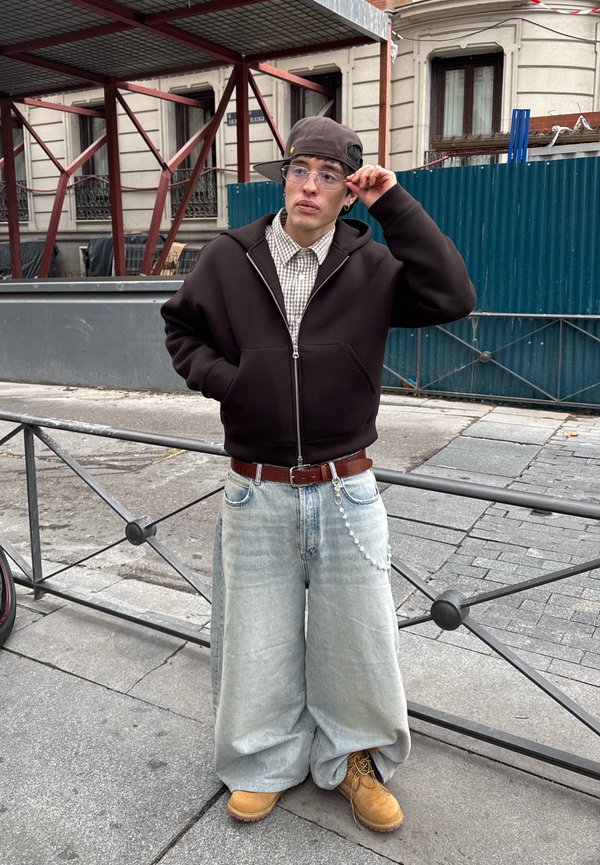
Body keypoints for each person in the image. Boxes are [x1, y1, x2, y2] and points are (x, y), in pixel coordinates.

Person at [161, 116, 476, 832]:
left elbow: (454, 295)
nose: (311, 185)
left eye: (330, 176)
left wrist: (395, 203)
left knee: (358, 637)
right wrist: (231, 382)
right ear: (286, 178)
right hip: (255, 484)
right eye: (301, 170)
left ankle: (355, 761)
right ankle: (262, 760)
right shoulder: (229, 256)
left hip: (345, 485)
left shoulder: (373, 267)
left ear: (348, 192)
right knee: (255, 636)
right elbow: (181, 330)